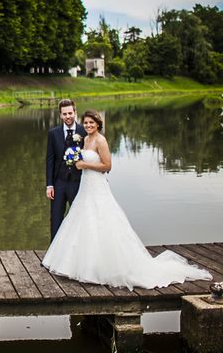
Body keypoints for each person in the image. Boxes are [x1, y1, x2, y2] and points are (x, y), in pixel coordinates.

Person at [42, 110, 212, 290]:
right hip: (86, 185)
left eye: (91, 123)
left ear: (98, 124)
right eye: (86, 123)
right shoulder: (84, 140)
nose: (88, 126)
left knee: (102, 220)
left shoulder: (101, 140)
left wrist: (85, 164)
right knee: (82, 220)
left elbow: (107, 166)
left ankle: (106, 267)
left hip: (97, 186)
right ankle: (82, 264)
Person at [45, 99, 87, 241]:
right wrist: (49, 185)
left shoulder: (84, 131)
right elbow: (50, 160)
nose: (68, 116)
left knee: (80, 218)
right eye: (65, 114)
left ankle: (78, 252)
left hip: (78, 182)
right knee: (56, 218)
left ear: (75, 112)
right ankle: (53, 255)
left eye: (70, 113)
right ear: (60, 115)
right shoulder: (53, 133)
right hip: (59, 183)